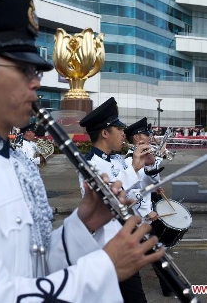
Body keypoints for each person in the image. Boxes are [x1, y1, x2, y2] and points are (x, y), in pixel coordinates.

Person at [0, 0, 165, 302]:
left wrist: (84, 222)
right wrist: (104, 267)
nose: (35, 82)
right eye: (23, 69)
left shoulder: (13, 160)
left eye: (36, 72)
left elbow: (34, 265)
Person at [79, 102, 153, 302]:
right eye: (119, 129)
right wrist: (134, 170)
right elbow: (108, 198)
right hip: (106, 248)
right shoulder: (89, 164)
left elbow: (135, 189)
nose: (123, 133)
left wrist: (147, 166)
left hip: (124, 241)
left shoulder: (117, 160)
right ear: (105, 133)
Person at [123, 117, 173, 297]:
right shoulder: (130, 161)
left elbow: (148, 181)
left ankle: (168, 287)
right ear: (137, 138)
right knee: (155, 251)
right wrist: (146, 212)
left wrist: (154, 178)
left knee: (156, 250)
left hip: (146, 211)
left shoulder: (144, 156)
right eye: (146, 134)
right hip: (139, 215)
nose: (150, 136)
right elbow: (128, 193)